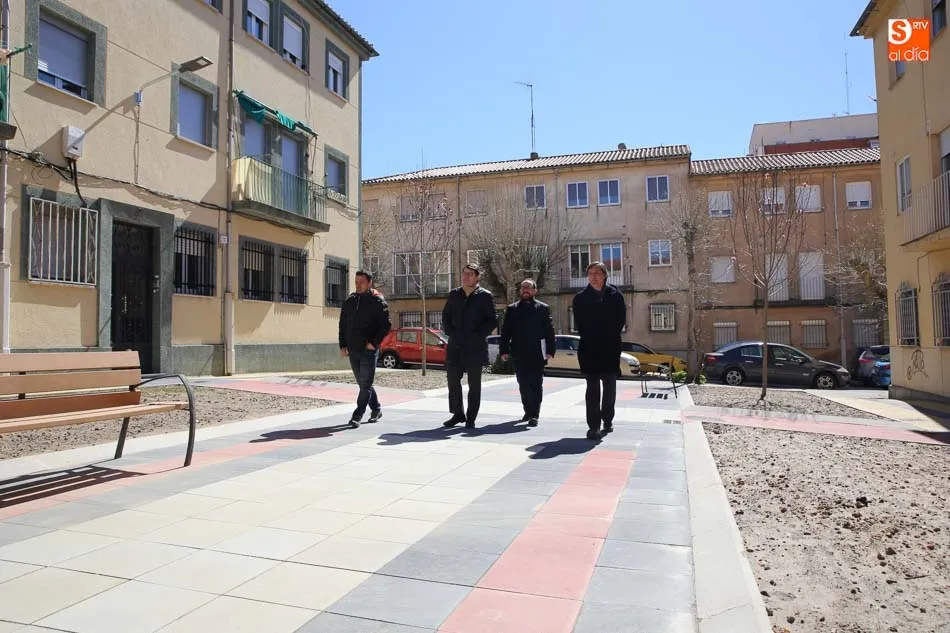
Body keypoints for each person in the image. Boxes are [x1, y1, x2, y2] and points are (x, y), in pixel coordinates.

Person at [572, 261, 627, 440]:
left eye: (597, 273)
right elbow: (580, 324)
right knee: (592, 388)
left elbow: (620, 322)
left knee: (609, 387)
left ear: (604, 275)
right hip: (589, 348)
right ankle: (593, 426)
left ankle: (608, 419)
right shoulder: (580, 297)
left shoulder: (615, 295)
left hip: (610, 348)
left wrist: (608, 335)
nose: (594, 277)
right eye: (590, 273)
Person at [441, 263, 498, 429]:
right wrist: (450, 331)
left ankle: (471, 417)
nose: (466, 277)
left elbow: (492, 320)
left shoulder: (485, 296)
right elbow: (446, 316)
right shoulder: (454, 294)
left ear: (477, 277)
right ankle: (458, 414)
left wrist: (478, 334)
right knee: (452, 381)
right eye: (464, 274)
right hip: (455, 346)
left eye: (470, 274)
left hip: (475, 347)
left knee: (474, 385)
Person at [499, 278, 556, 427]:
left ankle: (535, 414)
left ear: (535, 291)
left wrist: (550, 350)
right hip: (519, 352)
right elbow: (505, 331)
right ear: (520, 291)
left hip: (537, 352)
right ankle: (527, 410)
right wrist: (504, 350)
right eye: (523, 287)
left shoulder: (543, 308)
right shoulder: (512, 309)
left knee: (536, 383)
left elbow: (549, 331)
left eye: (529, 287)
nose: (526, 290)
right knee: (523, 383)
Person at [339, 270, 392, 428]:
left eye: (361, 282)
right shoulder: (350, 301)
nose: (358, 285)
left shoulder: (377, 301)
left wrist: (374, 343)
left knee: (365, 384)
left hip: (369, 350)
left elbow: (386, 325)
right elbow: (342, 325)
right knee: (364, 384)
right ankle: (376, 409)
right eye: (356, 282)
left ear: (369, 283)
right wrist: (342, 345)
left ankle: (358, 415)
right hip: (352, 349)